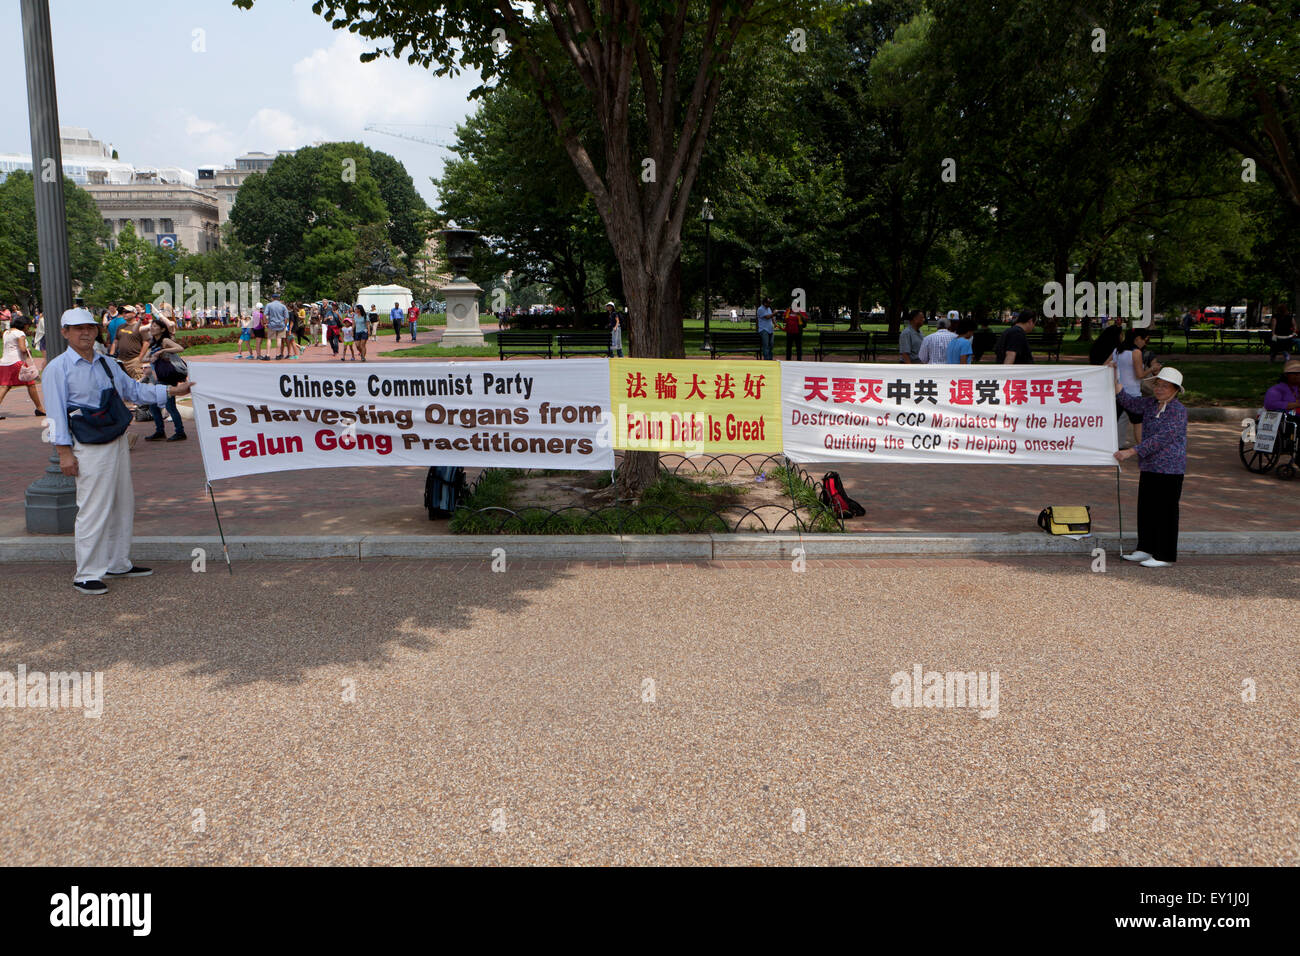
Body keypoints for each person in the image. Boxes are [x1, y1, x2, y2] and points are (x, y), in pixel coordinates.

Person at [43, 307, 195, 595]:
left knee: (122, 503)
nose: (86, 333)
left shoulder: (106, 363)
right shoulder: (58, 368)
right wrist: (63, 452)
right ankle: (86, 572)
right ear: (65, 333)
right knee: (93, 508)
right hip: (87, 446)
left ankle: (117, 562)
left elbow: (133, 391)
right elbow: (55, 415)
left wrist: (173, 391)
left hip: (114, 439)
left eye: (89, 327)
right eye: (78, 329)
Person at [1115, 367, 1187, 568]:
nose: (1160, 389)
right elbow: (1128, 401)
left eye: (1165, 386)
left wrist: (1132, 451)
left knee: (1165, 511)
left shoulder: (1178, 411)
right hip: (1150, 466)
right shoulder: (1150, 404)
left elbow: (1162, 438)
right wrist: (1114, 377)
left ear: (1175, 389)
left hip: (1170, 468)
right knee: (1146, 508)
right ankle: (1145, 547)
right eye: (1158, 384)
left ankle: (1164, 554)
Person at [141, 317, 188, 442]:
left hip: (167, 376)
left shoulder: (165, 340)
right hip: (159, 377)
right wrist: (151, 357)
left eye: (155, 326)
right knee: (153, 405)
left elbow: (180, 348)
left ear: (162, 329)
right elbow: (144, 358)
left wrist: (163, 351)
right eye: (152, 326)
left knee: (170, 405)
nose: (152, 328)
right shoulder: (153, 342)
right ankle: (160, 431)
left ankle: (180, 432)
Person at [1113, 328, 1160, 445]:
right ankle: (1142, 449)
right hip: (1133, 394)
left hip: (1117, 392)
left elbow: (1106, 365)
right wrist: (1152, 369)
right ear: (1138, 339)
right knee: (1138, 423)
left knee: (1113, 422)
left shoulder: (1117, 351)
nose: (1145, 343)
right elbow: (1139, 375)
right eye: (1145, 340)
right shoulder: (1136, 352)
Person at [0, 316, 45, 419]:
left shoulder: (7, 332)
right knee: (31, 384)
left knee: (5, 386)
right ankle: (40, 408)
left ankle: (39, 408)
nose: (28, 328)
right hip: (17, 362)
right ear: (25, 325)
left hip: (4, 362)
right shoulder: (20, 334)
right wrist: (28, 349)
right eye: (28, 326)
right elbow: (22, 349)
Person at [265, 292, 290, 359]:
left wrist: (266, 323)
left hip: (272, 324)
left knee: (269, 339)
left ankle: (267, 355)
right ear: (278, 298)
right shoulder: (283, 306)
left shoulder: (269, 305)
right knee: (279, 339)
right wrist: (284, 325)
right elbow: (286, 317)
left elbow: (265, 315)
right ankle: (278, 355)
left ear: (272, 298)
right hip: (281, 324)